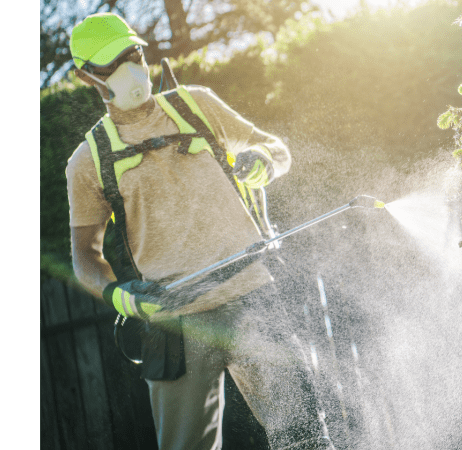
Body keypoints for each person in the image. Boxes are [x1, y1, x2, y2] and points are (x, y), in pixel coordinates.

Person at [66, 12, 335, 450]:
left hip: (254, 297)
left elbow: (277, 149)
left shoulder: (195, 104)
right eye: (111, 64)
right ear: (87, 77)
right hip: (173, 323)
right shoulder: (88, 161)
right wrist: (121, 296)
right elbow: (84, 256)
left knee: (305, 438)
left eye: (132, 54)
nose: (129, 68)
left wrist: (264, 161)